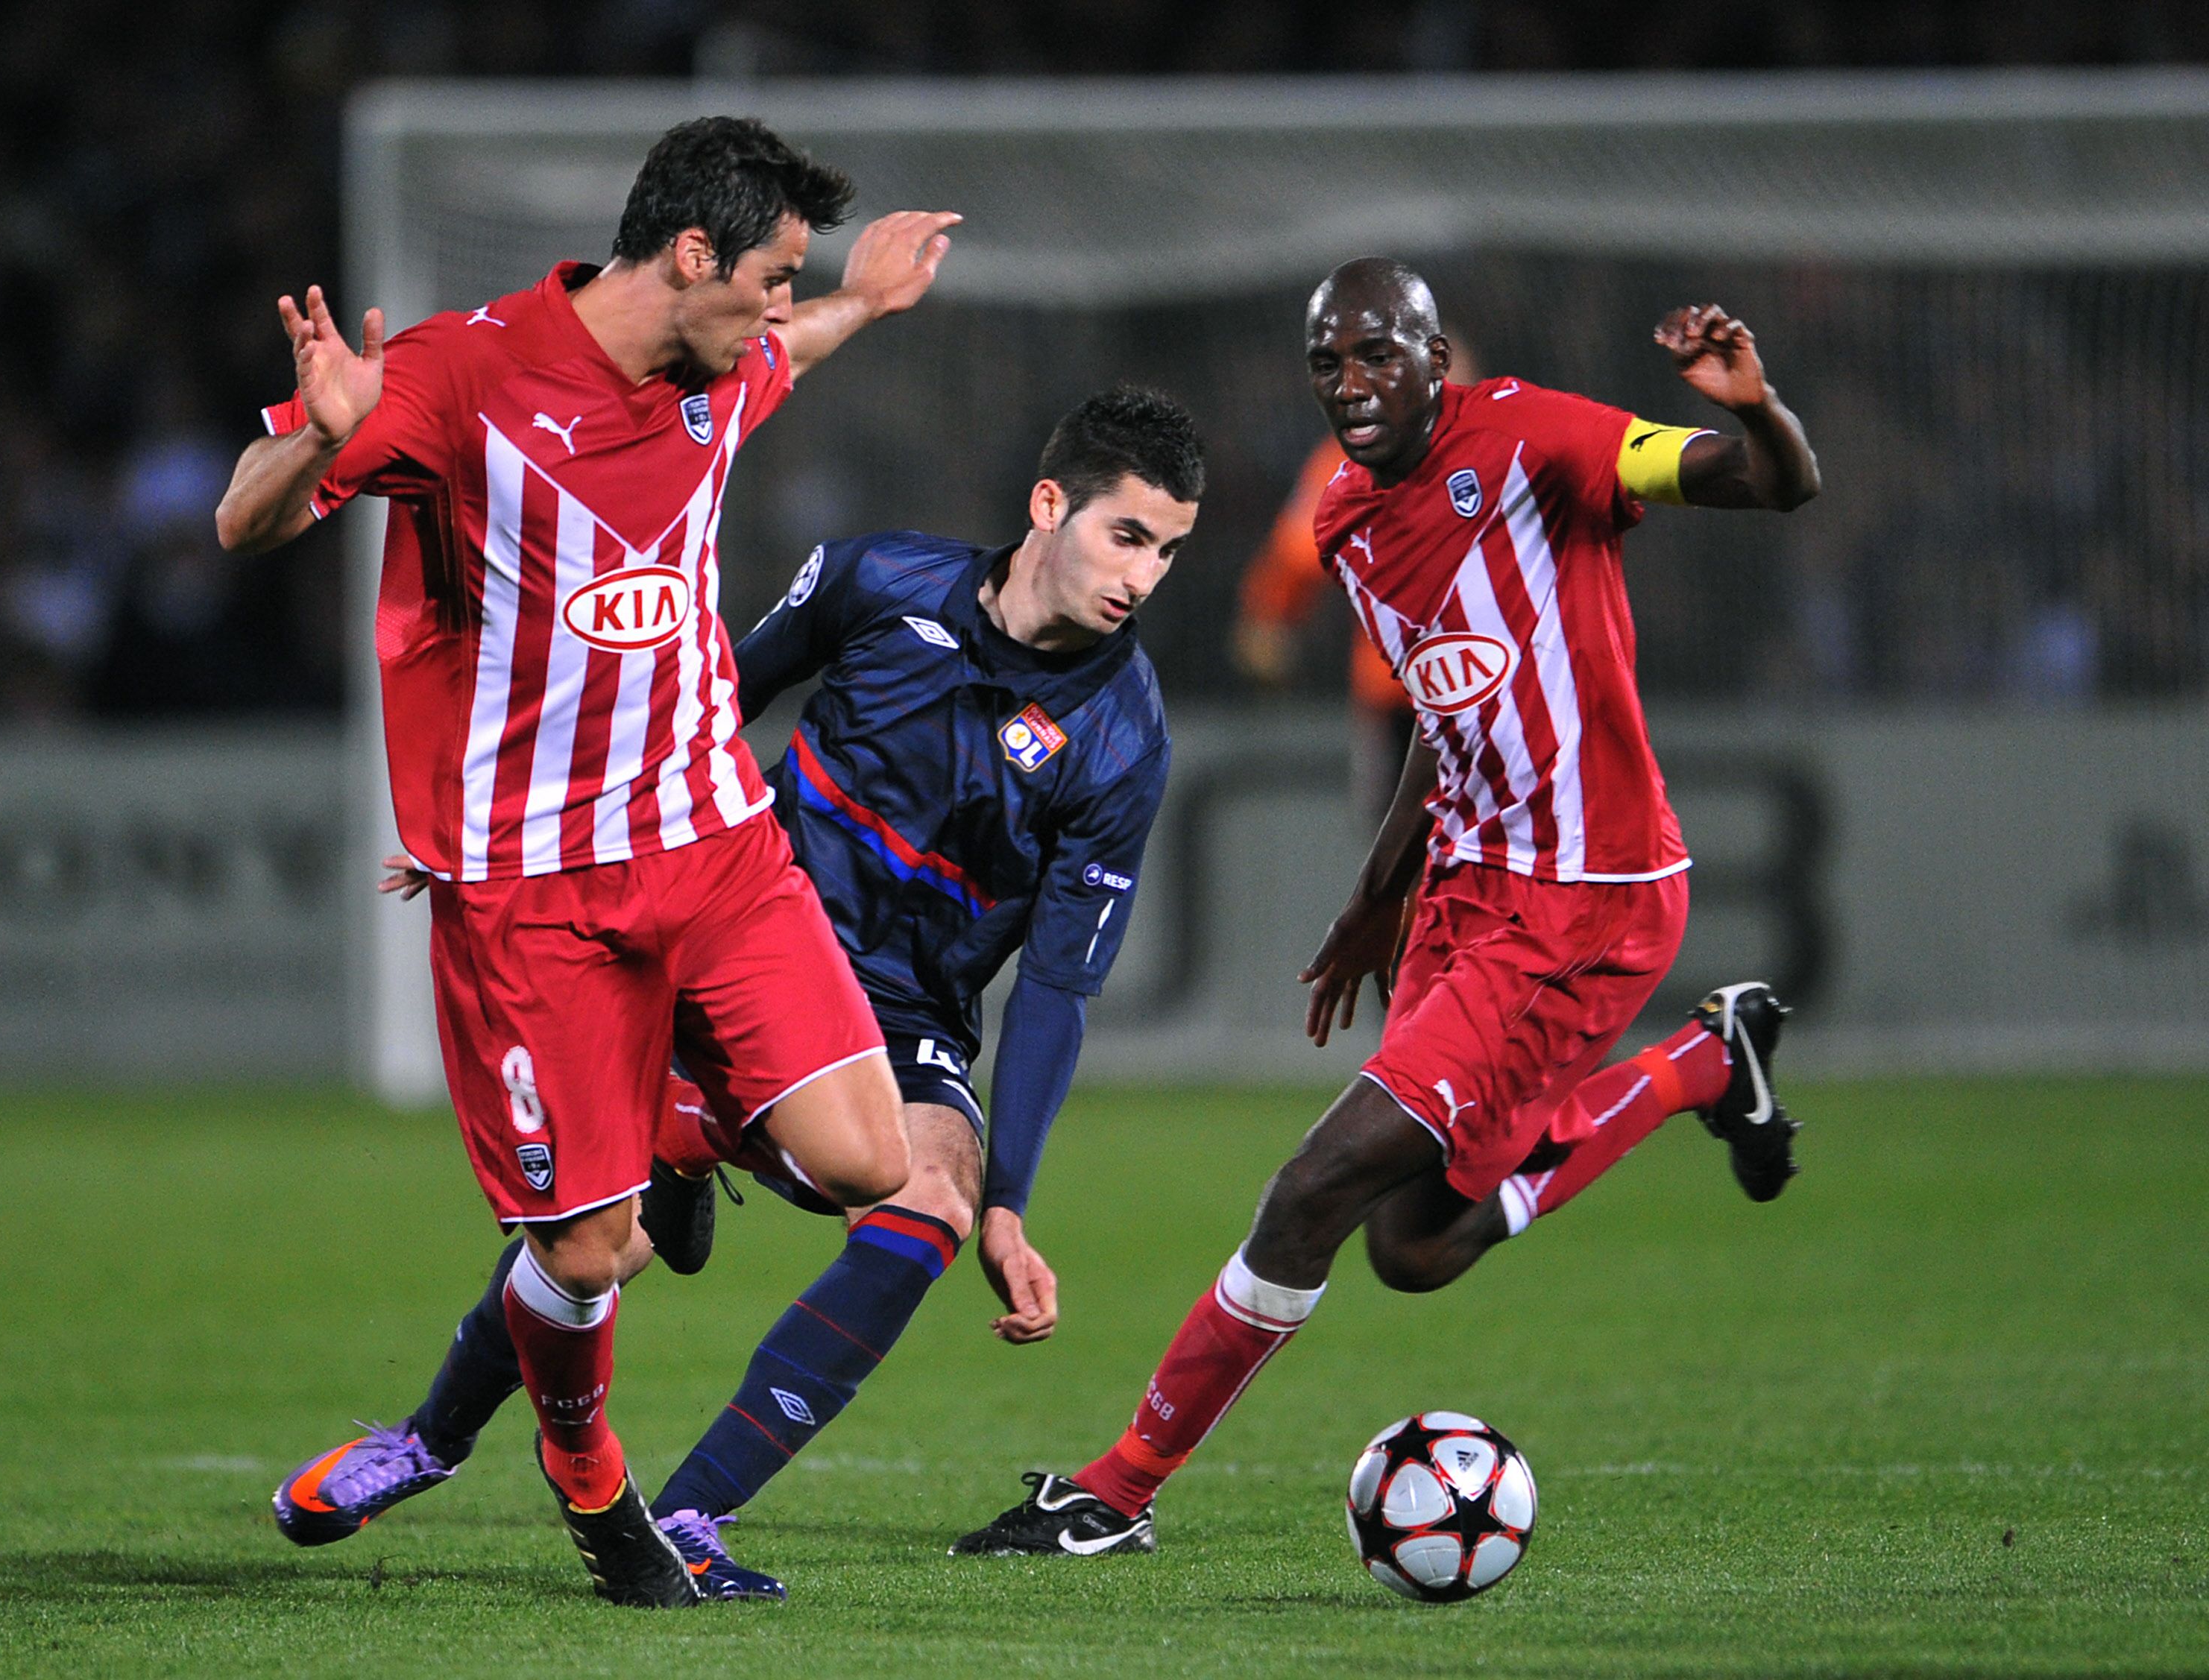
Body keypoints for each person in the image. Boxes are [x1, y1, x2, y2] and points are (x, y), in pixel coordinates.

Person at [266, 387, 1201, 1600]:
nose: (1144, 576)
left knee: (936, 1194)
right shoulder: (878, 581)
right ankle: (428, 1439)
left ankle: (692, 1511)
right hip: (735, 940)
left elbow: (1060, 985)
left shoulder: (1124, 737)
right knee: (599, 1247)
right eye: (1128, 535)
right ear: (1048, 504)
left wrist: (1012, 1202)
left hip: (902, 1016)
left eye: (1168, 552)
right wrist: (513, 834)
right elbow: (693, 706)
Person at [952, 262, 1821, 1558]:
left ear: (1433, 356)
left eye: (1378, 354)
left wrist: (1752, 407)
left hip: (1579, 900)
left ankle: (1116, 1491)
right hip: (1463, 889)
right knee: (1413, 1246)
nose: (1352, 384)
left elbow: (1772, 482)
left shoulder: (1538, 435)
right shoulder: (1348, 513)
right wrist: (1377, 891)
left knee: (1315, 1186)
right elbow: (1437, 704)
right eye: (1328, 362)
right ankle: (1703, 1063)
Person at [217, 115, 959, 1608]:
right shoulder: (463, 374)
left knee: (873, 1163)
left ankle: (673, 1124)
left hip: (715, 844)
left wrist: (864, 304)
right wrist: (319, 433)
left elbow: (786, 352)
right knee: (588, 1255)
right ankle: (589, 1481)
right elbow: (245, 519)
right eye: (772, 271)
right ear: (690, 254)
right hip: (534, 890)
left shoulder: (720, 363)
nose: (778, 303)